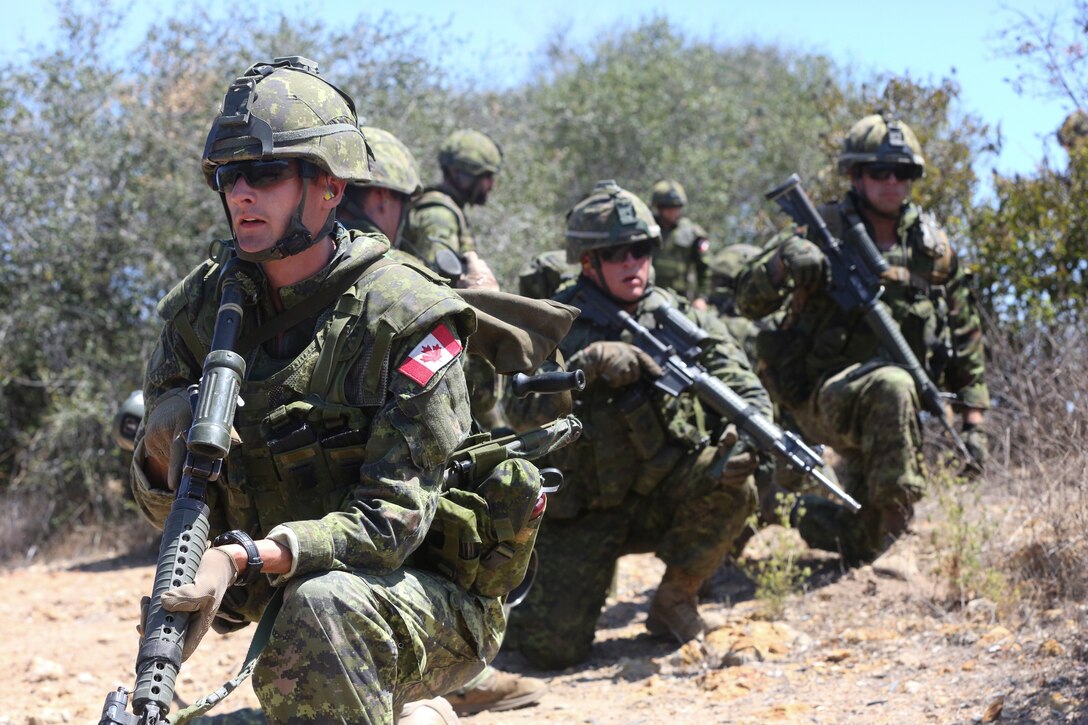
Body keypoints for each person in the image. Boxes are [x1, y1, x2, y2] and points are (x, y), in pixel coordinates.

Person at [130, 57, 504, 724]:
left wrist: (245, 555)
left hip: (431, 595)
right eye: (228, 174)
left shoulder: (410, 312)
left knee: (323, 609)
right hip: (290, 589)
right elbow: (166, 505)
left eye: (267, 173)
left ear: (329, 187)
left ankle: (414, 704)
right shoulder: (198, 310)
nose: (242, 191)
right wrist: (164, 450)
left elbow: (394, 521)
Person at [503, 180, 772, 669]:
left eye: (643, 250)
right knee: (550, 653)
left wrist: (751, 436)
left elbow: (743, 384)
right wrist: (584, 367)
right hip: (580, 512)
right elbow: (517, 409)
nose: (634, 263)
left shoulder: (675, 315)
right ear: (588, 261)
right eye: (618, 253)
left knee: (734, 481)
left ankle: (675, 600)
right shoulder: (551, 322)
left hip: (658, 495)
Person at [337, 125, 548, 716]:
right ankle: (444, 683)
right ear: (383, 200)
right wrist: (478, 308)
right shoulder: (411, 253)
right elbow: (448, 370)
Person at [735, 113, 990, 566]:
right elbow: (746, 302)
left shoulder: (933, 249)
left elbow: (966, 337)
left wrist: (973, 426)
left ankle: (785, 506)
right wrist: (783, 263)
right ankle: (893, 544)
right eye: (879, 172)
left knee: (865, 540)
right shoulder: (819, 229)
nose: (893, 182)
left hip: (893, 413)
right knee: (893, 385)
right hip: (819, 399)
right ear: (855, 174)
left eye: (903, 172)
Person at [401, 129, 503, 290]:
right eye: (486, 176)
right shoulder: (439, 215)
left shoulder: (449, 208)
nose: (491, 185)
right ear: (457, 172)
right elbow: (433, 285)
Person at [647, 178, 712, 309]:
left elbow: (705, 269)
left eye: (677, 207)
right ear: (659, 207)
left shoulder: (693, 233)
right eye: (668, 207)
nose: (673, 211)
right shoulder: (647, 229)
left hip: (679, 300)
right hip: (647, 295)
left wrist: (701, 298)